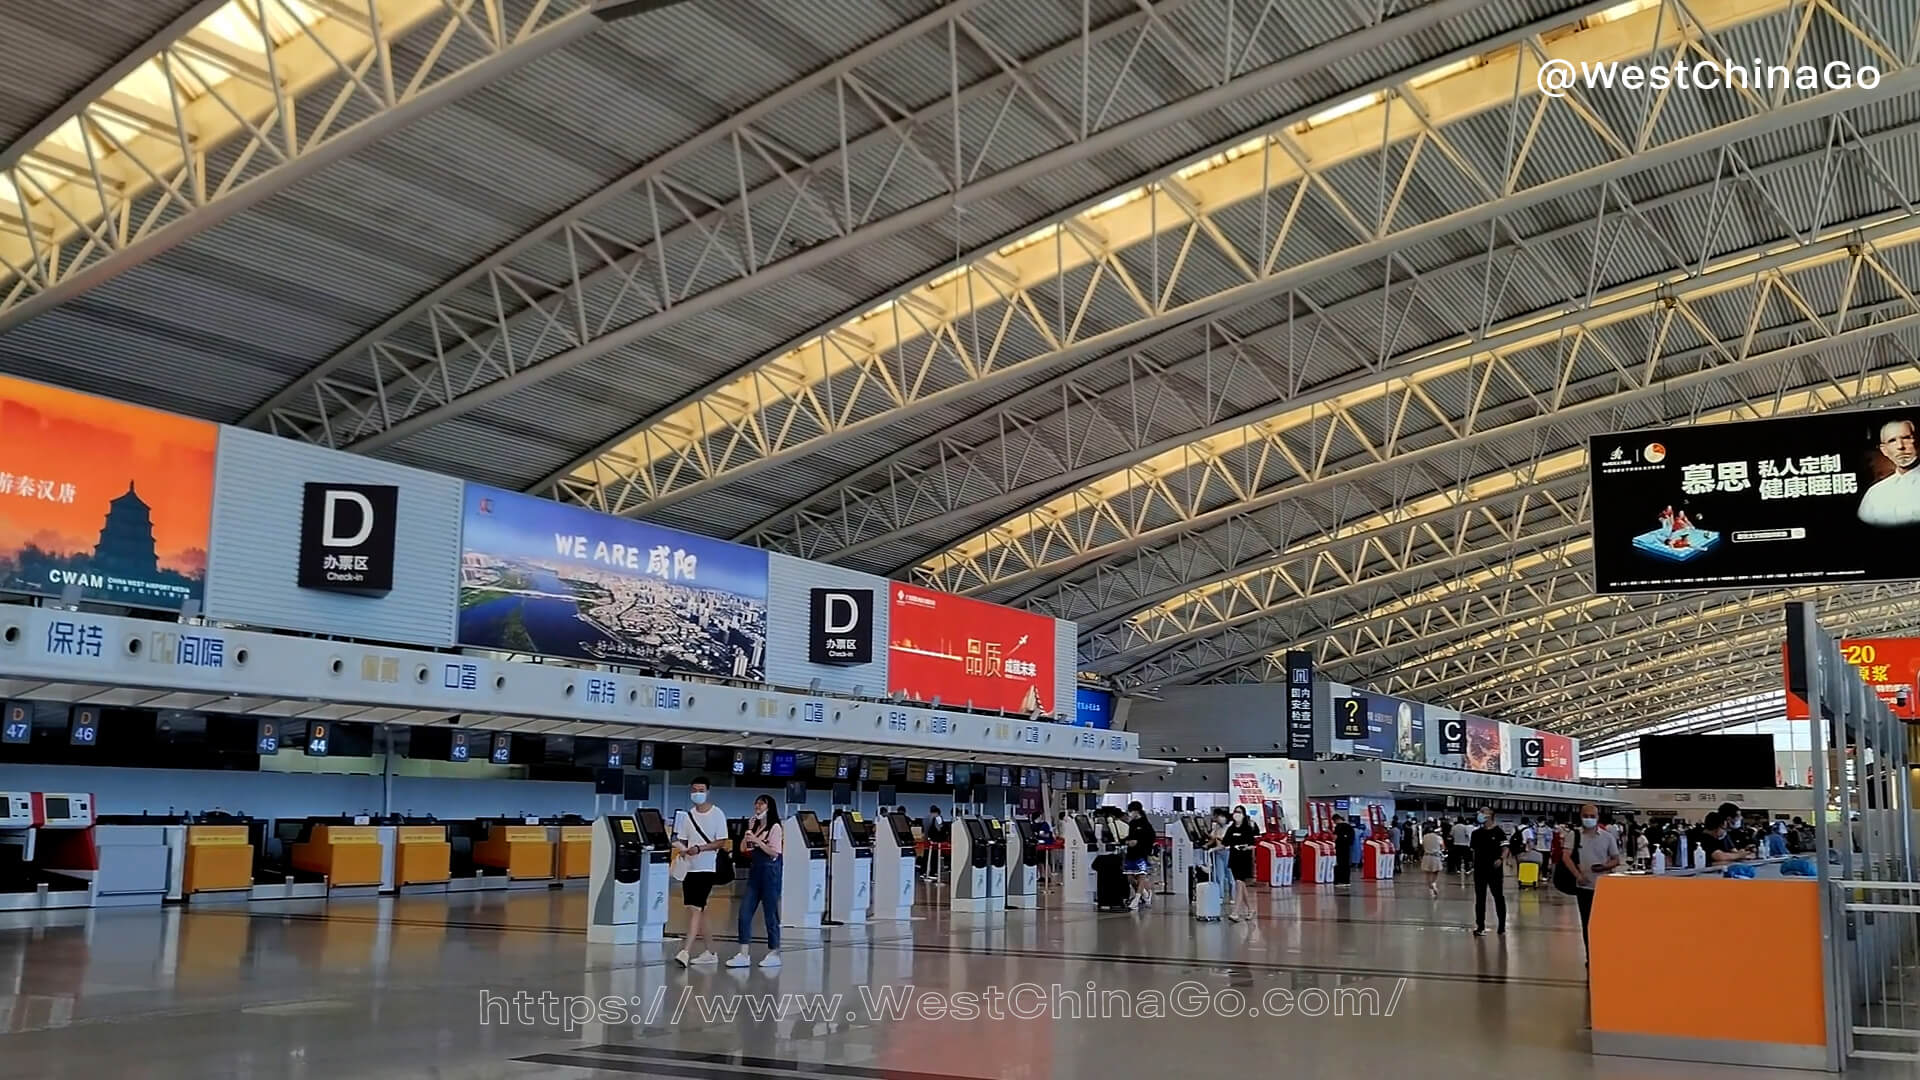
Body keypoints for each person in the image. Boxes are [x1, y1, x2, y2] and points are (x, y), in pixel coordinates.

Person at [672, 777, 731, 968]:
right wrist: (683, 849)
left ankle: (685, 951)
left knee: (696, 908)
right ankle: (710, 952)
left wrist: (701, 848)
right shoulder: (688, 816)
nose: (697, 793)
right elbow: (681, 839)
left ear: (707, 791)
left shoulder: (717, 814)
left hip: (707, 867)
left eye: (701, 789)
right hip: (690, 867)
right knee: (697, 908)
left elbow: (721, 841)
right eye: (694, 789)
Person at [727, 794, 783, 969]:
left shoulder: (775, 828)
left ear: (769, 807)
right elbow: (743, 848)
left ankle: (774, 951)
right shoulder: (755, 827)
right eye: (756, 803)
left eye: (762, 804)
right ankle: (743, 953)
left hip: (770, 874)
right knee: (744, 913)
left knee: (770, 915)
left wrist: (758, 841)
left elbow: (774, 853)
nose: (757, 806)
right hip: (755, 873)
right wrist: (749, 832)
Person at [1563, 803, 1623, 957]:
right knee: (1587, 923)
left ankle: (1604, 953)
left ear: (1598, 817)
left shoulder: (1607, 837)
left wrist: (1604, 867)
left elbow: (1616, 859)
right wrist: (1578, 876)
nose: (1589, 819)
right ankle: (1590, 955)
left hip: (1604, 887)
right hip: (1584, 887)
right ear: (1580, 816)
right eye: (1586, 816)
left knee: (1604, 924)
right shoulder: (1574, 835)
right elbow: (1565, 857)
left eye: (1592, 816)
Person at [1859, 418, 1920, 526]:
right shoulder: (1875, 493)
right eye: (1892, 441)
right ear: (1884, 450)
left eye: (1906, 438)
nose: (1900, 446)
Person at [1468, 807, 1507, 936]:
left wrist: (1501, 858)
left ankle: (1501, 925)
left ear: (1490, 815)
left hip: (1494, 869)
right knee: (1480, 898)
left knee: (1498, 897)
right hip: (1480, 869)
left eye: (1483, 812)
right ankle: (1480, 926)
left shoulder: (1499, 832)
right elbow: (1473, 850)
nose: (1480, 814)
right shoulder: (1476, 834)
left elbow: (1505, 848)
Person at [1222, 805, 1259, 921]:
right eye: (1235, 812)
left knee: (1239, 884)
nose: (1236, 814)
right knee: (1241, 886)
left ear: (1243, 815)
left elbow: (1253, 844)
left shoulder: (1247, 829)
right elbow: (1225, 842)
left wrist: (1245, 847)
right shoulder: (1231, 829)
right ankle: (1251, 909)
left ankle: (1235, 912)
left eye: (1239, 812)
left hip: (1244, 860)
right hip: (1234, 860)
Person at [1123, 802, 1157, 909]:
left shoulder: (1145, 824)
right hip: (1131, 853)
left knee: (1141, 875)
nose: (1130, 814)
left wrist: (1138, 842)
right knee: (1130, 876)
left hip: (1142, 853)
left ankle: (1137, 899)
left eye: (1131, 811)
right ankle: (1145, 893)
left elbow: (1151, 838)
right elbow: (1130, 836)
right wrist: (1125, 841)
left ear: (1136, 811)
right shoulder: (1132, 823)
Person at [920, 805, 949, 881]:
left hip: (926, 840)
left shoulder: (925, 818)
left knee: (925, 857)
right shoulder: (937, 818)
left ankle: (923, 872)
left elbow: (923, 830)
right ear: (937, 812)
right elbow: (939, 829)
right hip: (934, 842)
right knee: (934, 857)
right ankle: (932, 873)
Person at [1420, 821, 1446, 897]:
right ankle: (1433, 883)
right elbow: (1443, 847)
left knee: (1427, 873)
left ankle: (1431, 886)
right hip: (1436, 857)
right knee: (1435, 872)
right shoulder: (1438, 838)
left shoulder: (1424, 837)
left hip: (1426, 856)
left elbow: (1422, 846)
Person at [1332, 814, 1355, 888]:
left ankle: (1339, 881)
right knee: (1346, 864)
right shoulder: (1349, 827)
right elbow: (1351, 839)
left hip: (1340, 848)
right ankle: (1346, 881)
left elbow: (1335, 837)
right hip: (1347, 848)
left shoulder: (1338, 827)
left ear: (1335, 820)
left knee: (1340, 864)